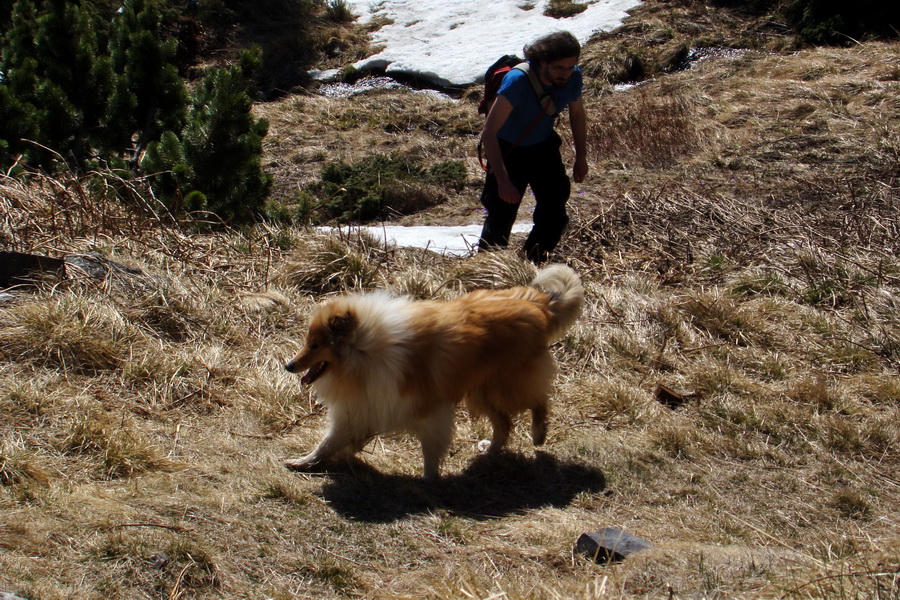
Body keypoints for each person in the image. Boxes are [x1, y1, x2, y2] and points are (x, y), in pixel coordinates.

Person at [477, 31, 588, 264]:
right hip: (508, 152)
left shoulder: (573, 77)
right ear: (542, 62)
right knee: (500, 219)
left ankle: (531, 265)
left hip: (544, 148)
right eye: (559, 68)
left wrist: (581, 156)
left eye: (570, 67)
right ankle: (486, 274)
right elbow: (489, 133)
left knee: (555, 215)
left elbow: (577, 114)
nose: (566, 74)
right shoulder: (517, 82)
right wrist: (503, 180)